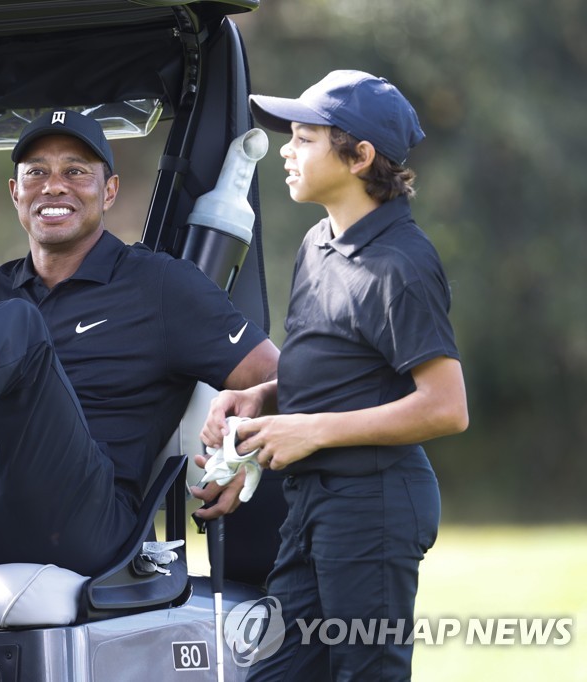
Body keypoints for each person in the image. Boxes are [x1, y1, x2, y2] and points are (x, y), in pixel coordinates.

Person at [0, 109, 281, 584]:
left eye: (76, 171)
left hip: (82, 524)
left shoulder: (164, 287)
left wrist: (247, 445)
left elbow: (286, 378)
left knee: (19, 328)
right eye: (37, 173)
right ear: (16, 193)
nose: (53, 186)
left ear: (108, 190)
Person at [201, 71, 469, 679]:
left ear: (360, 156)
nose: (287, 153)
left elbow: (446, 407)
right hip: (310, 505)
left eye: (303, 138)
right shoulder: (318, 242)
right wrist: (263, 396)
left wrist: (313, 430)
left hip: (374, 507)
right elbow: (335, 371)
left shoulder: (402, 263)